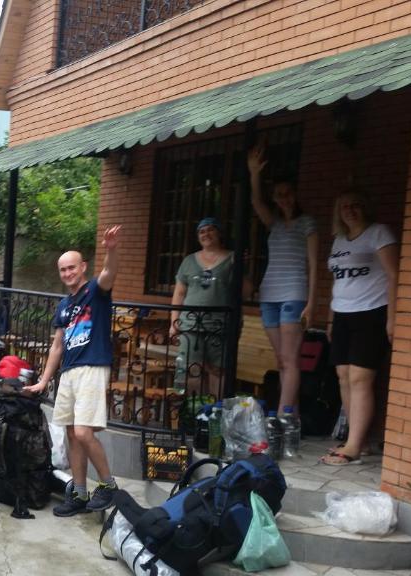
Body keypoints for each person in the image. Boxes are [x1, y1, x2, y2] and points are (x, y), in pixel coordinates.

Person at [22, 225, 122, 516]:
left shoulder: (95, 291)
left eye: (72, 268)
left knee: (83, 432)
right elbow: (56, 346)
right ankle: (79, 493)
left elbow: (109, 274)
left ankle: (108, 485)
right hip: (69, 371)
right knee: (69, 432)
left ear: (83, 267)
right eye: (63, 270)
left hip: (92, 366)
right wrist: (43, 380)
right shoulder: (64, 305)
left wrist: (112, 249)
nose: (67, 273)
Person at [321, 191, 397, 466]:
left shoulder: (379, 233)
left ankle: (351, 446)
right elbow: (337, 283)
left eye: (355, 205)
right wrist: (330, 319)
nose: (350, 210)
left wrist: (392, 316)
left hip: (372, 313)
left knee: (359, 379)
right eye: (344, 207)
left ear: (365, 208)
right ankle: (358, 440)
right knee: (343, 376)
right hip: (342, 314)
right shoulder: (339, 240)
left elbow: (393, 275)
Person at [248, 145, 319, 413]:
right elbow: (256, 203)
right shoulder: (275, 223)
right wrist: (254, 173)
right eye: (278, 195)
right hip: (269, 296)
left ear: (295, 194)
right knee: (282, 361)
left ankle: (280, 419)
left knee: (290, 360)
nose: (283, 199)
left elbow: (313, 264)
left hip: (294, 295)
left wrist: (312, 303)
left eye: (287, 193)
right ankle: (293, 419)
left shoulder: (308, 223)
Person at [169, 218, 237, 394]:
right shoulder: (189, 261)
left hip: (219, 325)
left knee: (218, 370)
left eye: (210, 230)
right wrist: (174, 322)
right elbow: (179, 293)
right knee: (191, 369)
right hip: (190, 324)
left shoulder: (232, 258)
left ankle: (215, 412)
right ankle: (193, 413)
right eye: (201, 231)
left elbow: (243, 292)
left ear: (219, 233)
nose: (206, 234)